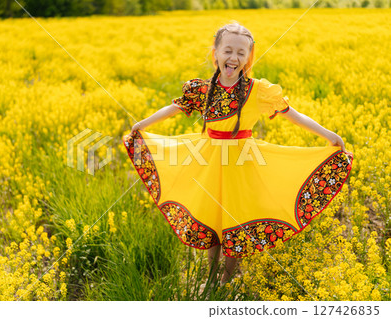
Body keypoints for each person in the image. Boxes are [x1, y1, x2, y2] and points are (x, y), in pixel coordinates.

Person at [122, 22, 353, 289]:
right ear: (215, 54)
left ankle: (227, 278)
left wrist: (328, 135)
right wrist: (142, 125)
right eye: (228, 51)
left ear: (249, 58)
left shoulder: (258, 90)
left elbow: (293, 115)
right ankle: (211, 276)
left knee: (235, 220)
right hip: (208, 161)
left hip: (243, 164)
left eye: (241, 53)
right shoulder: (202, 89)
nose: (234, 58)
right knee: (212, 218)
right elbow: (172, 108)